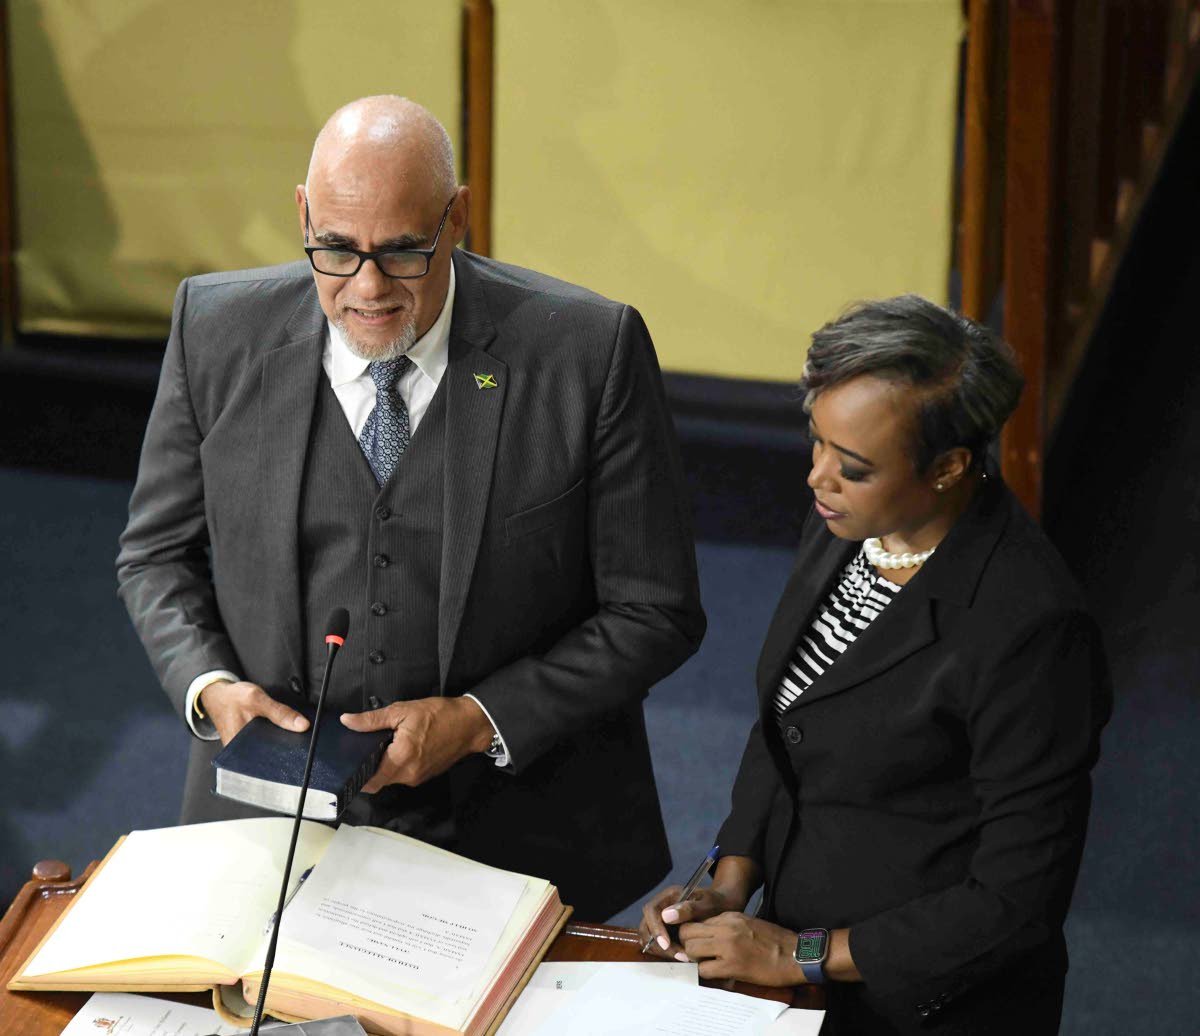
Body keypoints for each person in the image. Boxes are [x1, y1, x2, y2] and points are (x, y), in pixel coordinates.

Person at [117, 96, 705, 922]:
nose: (367, 289)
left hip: (516, 830)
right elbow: (155, 555)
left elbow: (657, 609)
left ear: (458, 215)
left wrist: (475, 721)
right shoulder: (215, 330)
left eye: (401, 251)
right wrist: (210, 686)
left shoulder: (587, 354)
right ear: (302, 215)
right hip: (269, 828)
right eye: (335, 250)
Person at [640, 296, 1110, 1034]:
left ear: (950, 466)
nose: (817, 477)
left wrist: (802, 955)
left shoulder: (1032, 630)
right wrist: (732, 881)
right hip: (801, 964)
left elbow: (1015, 902)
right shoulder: (853, 521)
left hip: (923, 1000)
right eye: (815, 442)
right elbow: (790, 718)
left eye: (851, 465)